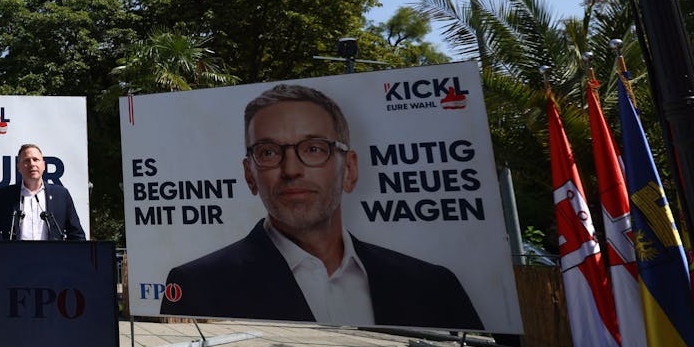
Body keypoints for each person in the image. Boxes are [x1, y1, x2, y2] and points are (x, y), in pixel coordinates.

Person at [160, 83, 481, 330]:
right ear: (250, 174)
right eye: (269, 152)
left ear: (350, 169)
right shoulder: (198, 284)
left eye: (314, 149)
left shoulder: (433, 285)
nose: (291, 169)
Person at [0, 143, 86, 240]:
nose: (32, 164)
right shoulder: (4, 196)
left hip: (52, 258)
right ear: (19, 167)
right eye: (26, 160)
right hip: (15, 258)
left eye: (36, 160)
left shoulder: (61, 194)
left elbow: (77, 235)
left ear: (44, 165)